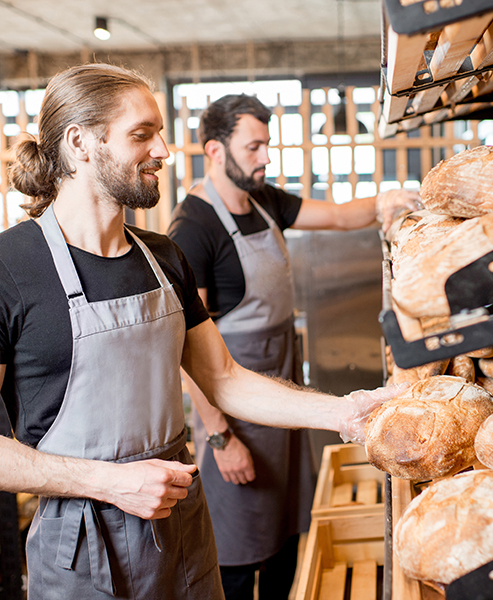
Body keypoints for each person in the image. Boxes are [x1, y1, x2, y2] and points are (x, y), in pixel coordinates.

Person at [0, 63, 408, 600]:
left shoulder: (163, 257)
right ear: (80, 143)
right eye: (142, 135)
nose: (165, 151)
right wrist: (110, 483)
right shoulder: (11, 266)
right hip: (80, 547)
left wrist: (342, 412)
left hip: (181, 526)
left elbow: (223, 378)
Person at [167, 94, 421, 600]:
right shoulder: (192, 228)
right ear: (215, 150)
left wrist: (384, 203)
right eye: (254, 146)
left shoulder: (264, 200)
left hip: (281, 391)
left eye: (267, 144)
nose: (265, 157)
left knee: (285, 535)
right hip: (234, 410)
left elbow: (339, 217)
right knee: (240, 550)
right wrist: (221, 439)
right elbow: (186, 355)